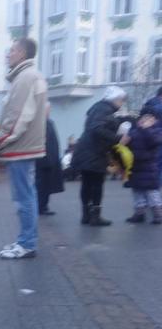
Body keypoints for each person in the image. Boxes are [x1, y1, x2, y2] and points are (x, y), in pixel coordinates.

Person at [0, 38, 48, 259]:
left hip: (21, 147)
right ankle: (26, 240)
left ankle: (27, 243)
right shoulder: (30, 76)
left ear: (22, 53)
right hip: (25, 146)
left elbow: (18, 115)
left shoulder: (25, 77)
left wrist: (0, 141)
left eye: (11, 50)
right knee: (27, 195)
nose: (8, 55)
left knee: (23, 197)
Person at [71, 86, 126, 226]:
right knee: (96, 184)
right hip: (94, 153)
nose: (122, 103)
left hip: (85, 151)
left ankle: (86, 215)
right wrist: (117, 138)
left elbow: (96, 127)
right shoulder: (105, 109)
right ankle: (95, 217)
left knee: (87, 183)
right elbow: (98, 128)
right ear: (114, 99)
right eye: (121, 100)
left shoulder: (97, 108)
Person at [123, 112, 162, 224]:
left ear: (154, 121)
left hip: (148, 166)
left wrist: (146, 129)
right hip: (135, 166)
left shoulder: (156, 131)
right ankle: (139, 213)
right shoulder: (134, 132)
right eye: (143, 119)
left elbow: (154, 141)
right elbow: (125, 144)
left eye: (148, 119)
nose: (144, 121)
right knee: (137, 191)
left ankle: (158, 214)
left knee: (151, 191)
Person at [36, 104, 64, 215]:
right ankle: (40, 206)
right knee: (41, 184)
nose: (49, 111)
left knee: (46, 185)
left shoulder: (50, 122)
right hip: (42, 160)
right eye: (47, 109)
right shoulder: (39, 123)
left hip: (51, 159)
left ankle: (44, 206)